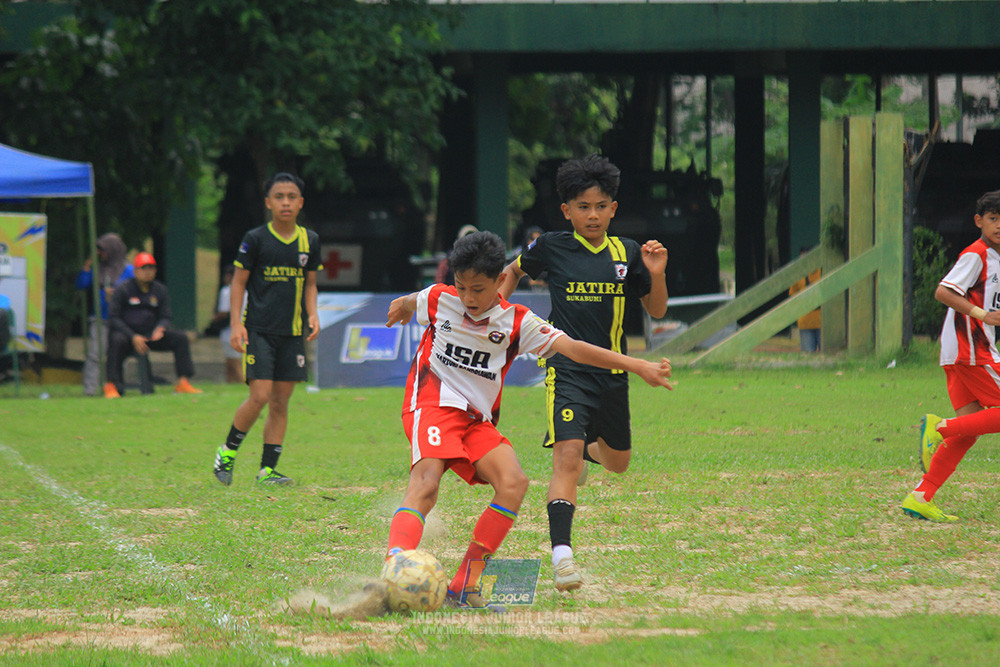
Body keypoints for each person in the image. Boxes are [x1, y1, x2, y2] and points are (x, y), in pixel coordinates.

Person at [383, 230, 672, 607]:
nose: (468, 298)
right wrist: (402, 306)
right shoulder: (440, 298)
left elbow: (576, 349)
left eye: (479, 289)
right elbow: (411, 302)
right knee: (427, 483)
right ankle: (391, 573)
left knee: (514, 483)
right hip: (432, 404)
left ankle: (465, 584)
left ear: (500, 281)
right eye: (462, 287)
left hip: (475, 420)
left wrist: (637, 365)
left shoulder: (518, 322)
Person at [498, 154, 668, 591]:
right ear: (567, 211)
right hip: (566, 368)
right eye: (583, 206)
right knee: (565, 459)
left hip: (612, 373)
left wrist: (655, 274)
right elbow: (513, 271)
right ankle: (563, 558)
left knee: (619, 463)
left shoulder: (627, 253)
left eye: (601, 206)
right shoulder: (551, 245)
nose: (592, 214)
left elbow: (656, 309)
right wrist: (495, 316)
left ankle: (592, 451)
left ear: (613, 208)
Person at [212, 172, 322, 487]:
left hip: (293, 333)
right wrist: (236, 325)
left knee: (280, 401)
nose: (285, 202)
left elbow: (311, 284)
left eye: (291, 197)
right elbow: (238, 283)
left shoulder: (309, 240)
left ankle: (267, 470)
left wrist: (313, 314)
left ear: (300, 203)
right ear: (268, 202)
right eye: (278, 197)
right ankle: (227, 452)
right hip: (259, 330)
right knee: (259, 396)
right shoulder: (255, 239)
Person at [903, 189, 1000, 523]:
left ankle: (921, 496)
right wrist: (981, 314)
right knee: (962, 427)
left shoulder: (996, 258)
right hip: (970, 348)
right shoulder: (977, 254)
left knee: (968, 431)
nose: (999, 224)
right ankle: (939, 427)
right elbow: (943, 291)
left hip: (961, 350)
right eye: (993, 218)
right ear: (979, 221)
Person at [105, 252, 202, 398]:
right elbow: (114, 318)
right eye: (144, 268)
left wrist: (160, 328)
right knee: (116, 340)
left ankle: (183, 382)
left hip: (151, 335)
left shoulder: (160, 290)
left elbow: (166, 315)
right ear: (136, 271)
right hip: (128, 335)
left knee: (180, 338)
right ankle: (112, 384)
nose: (147, 272)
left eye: (151, 268)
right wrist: (133, 336)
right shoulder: (123, 289)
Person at [75, 233, 134, 395]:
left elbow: (133, 291)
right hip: (101, 317)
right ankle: (90, 389)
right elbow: (81, 284)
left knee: (118, 353)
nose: (100, 253)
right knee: (95, 354)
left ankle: (116, 386)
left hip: (122, 319)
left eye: (102, 250)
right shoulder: (98, 269)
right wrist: (87, 265)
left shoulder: (129, 270)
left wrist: (117, 295)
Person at [209, 265, 243, 383]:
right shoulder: (247, 291)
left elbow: (224, 312)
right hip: (243, 328)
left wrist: (214, 318)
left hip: (230, 330)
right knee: (230, 362)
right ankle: (231, 383)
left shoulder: (227, 291)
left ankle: (243, 385)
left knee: (234, 362)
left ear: (229, 276)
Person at [789, 248, 821, 352]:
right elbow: (793, 295)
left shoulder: (822, 271)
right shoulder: (798, 275)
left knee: (827, 355)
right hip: (805, 321)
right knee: (808, 357)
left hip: (822, 321)